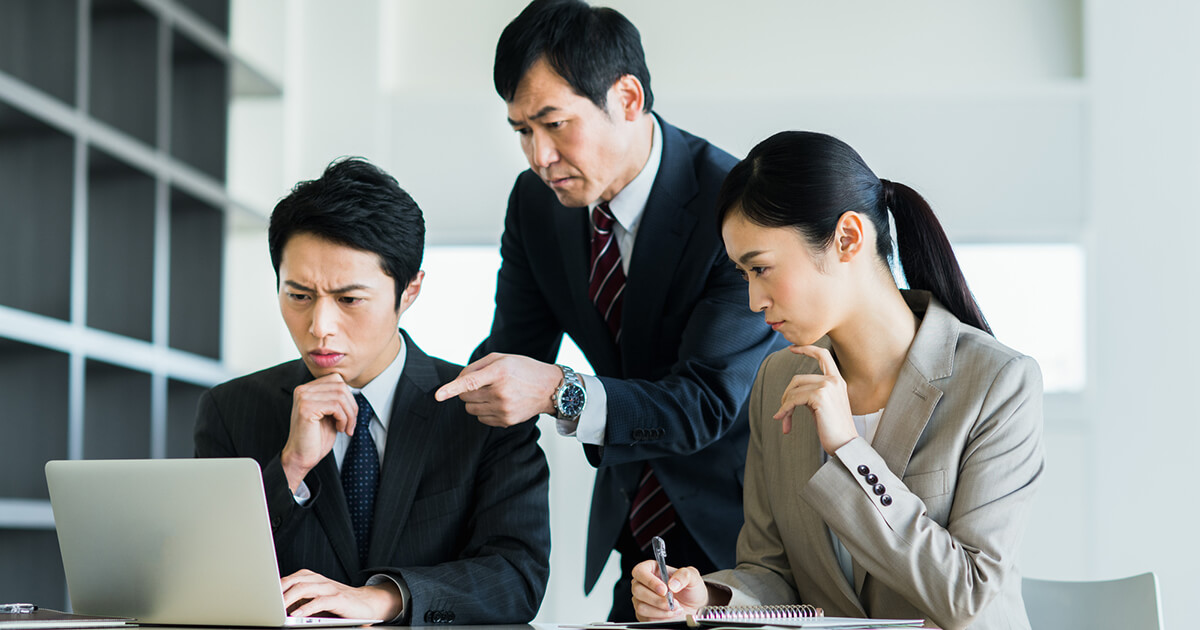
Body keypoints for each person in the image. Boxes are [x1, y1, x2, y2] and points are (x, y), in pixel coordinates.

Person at [433, 0, 784, 621]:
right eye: (522, 131)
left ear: (627, 98)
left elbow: (703, 402)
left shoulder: (733, 207)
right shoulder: (536, 205)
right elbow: (512, 349)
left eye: (554, 124)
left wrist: (559, 392)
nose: (539, 156)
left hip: (752, 538)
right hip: (639, 534)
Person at [630, 131, 1045, 630]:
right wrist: (709, 598)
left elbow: (967, 597)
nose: (754, 301)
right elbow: (772, 572)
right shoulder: (778, 378)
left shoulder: (999, 384)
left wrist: (849, 450)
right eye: (744, 275)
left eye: (761, 268)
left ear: (848, 238)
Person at [194, 158, 551, 625]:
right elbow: (205, 576)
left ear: (410, 291)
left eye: (349, 300)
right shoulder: (230, 409)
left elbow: (516, 577)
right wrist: (290, 468)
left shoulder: (485, 411)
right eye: (299, 296)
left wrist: (384, 598)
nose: (320, 327)